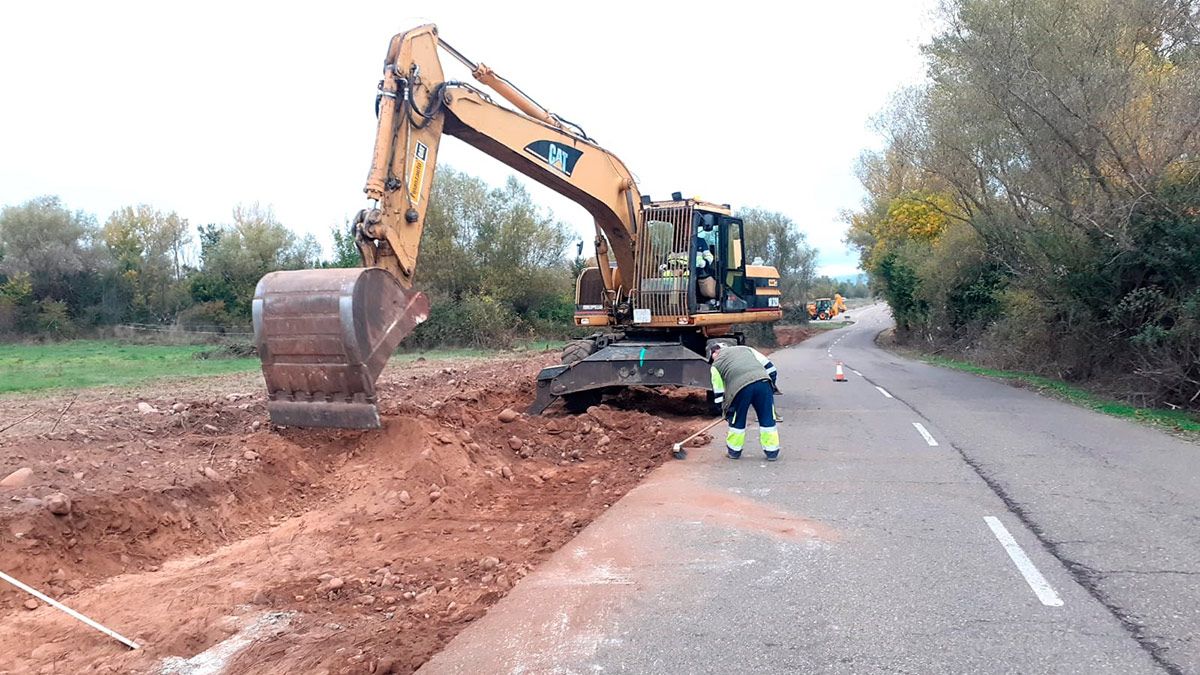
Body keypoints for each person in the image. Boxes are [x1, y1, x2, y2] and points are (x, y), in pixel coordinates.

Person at [709, 343, 780, 461]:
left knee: (737, 419)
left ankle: (734, 451)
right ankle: (772, 452)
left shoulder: (715, 365)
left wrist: (723, 409)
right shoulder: (746, 349)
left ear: (714, 353)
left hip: (740, 389)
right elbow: (771, 369)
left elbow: (719, 392)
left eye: (712, 357)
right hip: (763, 383)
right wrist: (770, 387)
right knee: (767, 417)